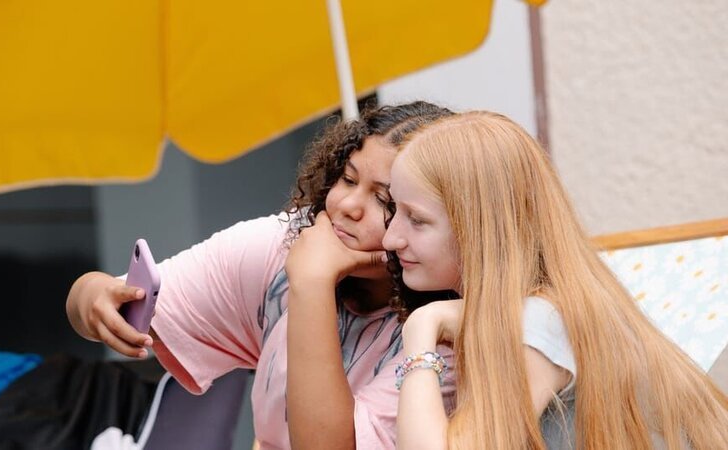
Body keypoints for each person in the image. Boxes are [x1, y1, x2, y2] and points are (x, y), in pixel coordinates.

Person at [66, 101, 455, 449]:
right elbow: (106, 301)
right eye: (349, 179)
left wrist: (312, 283)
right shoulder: (290, 242)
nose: (348, 205)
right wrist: (92, 296)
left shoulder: (451, 335)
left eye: (384, 200)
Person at [382, 111, 728, 449]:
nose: (390, 238)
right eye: (393, 209)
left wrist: (421, 329)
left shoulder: (538, 322)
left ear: (483, 230)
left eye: (417, 219)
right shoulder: (551, 305)